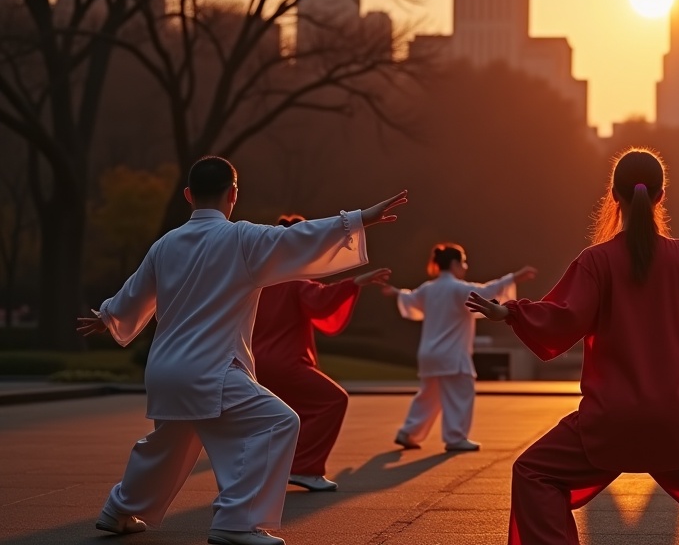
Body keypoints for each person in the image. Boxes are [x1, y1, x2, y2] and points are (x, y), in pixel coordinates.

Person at [78, 156, 407, 545]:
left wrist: (108, 316)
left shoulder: (165, 244)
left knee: (169, 445)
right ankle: (236, 521)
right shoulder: (241, 238)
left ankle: (118, 510)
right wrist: (358, 219)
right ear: (234, 193)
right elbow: (298, 239)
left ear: (188, 195)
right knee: (278, 422)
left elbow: (135, 292)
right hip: (210, 367)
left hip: (165, 370)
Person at [465, 148, 679, 545]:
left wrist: (512, 313)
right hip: (672, 423)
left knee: (532, 473)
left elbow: (564, 315)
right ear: (660, 197)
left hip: (607, 422)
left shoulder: (597, 261)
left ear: (613, 195)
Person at [251, 215, 394, 493]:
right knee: (332, 400)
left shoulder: (258, 278)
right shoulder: (295, 279)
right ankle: (304, 468)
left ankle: (271, 469)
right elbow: (320, 300)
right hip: (285, 362)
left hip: (253, 362)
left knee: (284, 414)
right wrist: (355, 283)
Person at [382, 243, 536, 451]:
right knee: (459, 394)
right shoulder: (458, 288)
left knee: (428, 396)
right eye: (463, 261)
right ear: (454, 263)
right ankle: (455, 437)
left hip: (429, 353)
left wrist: (396, 292)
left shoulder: (428, 288)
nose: (465, 266)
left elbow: (410, 298)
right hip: (452, 354)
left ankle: (408, 432)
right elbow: (486, 292)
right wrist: (513, 277)